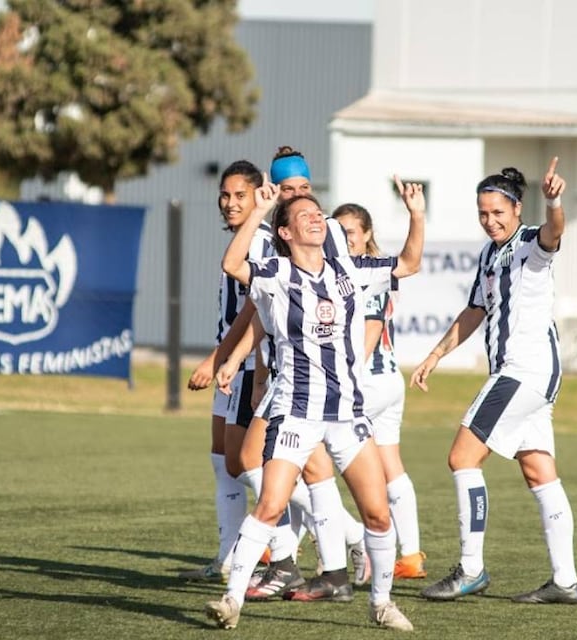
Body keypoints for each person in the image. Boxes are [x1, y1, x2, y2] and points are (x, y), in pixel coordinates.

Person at [204, 177, 426, 631]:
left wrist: (416, 214)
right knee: (269, 505)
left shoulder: (349, 271)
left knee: (377, 513)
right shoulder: (276, 274)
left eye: (316, 212)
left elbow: (408, 263)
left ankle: (381, 604)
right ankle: (231, 601)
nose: (314, 218)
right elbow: (232, 262)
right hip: (296, 411)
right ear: (285, 233)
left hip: (345, 413)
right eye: (302, 214)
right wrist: (259, 214)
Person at [411, 158, 577, 605]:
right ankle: (565, 580)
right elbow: (474, 312)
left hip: (524, 370)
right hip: (530, 374)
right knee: (538, 470)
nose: (490, 221)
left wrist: (555, 201)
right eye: (483, 214)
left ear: (517, 209)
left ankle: (470, 569)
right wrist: (435, 354)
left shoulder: (531, 242)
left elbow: (555, 231)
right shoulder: (490, 253)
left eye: (498, 213)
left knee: (462, 457)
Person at [212, 147, 373, 602]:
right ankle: (330, 561)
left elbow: (260, 313)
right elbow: (265, 313)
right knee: (264, 464)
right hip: (272, 372)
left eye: (306, 189)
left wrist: (237, 362)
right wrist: (234, 359)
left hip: (296, 382)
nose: (301, 197)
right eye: (290, 191)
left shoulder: (277, 242)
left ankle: (300, 556)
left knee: (250, 462)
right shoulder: (271, 241)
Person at [179, 160, 284, 583]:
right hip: (231, 365)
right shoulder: (244, 239)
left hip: (248, 364)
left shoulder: (260, 242)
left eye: (240, 195)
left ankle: (303, 546)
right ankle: (226, 557)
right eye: (225, 194)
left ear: (260, 195)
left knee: (247, 464)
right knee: (222, 460)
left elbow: (254, 311)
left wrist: (217, 358)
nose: (229, 202)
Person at [331, 203, 426, 579]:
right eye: (338, 231)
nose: (344, 238)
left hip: (366, 381)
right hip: (389, 380)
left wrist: (346, 377)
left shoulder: (368, 271)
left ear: (367, 233)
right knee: (391, 467)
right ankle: (412, 555)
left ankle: (349, 542)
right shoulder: (373, 268)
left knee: (310, 460)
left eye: (351, 231)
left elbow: (369, 329)